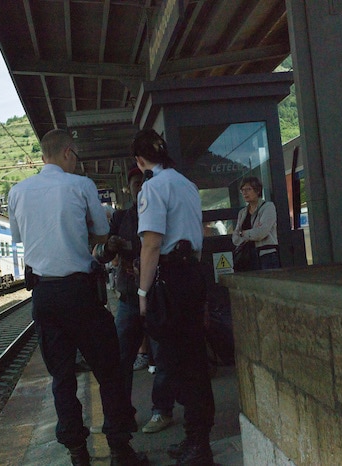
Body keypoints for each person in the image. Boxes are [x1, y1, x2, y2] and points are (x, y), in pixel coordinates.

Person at [8, 129, 147, 466]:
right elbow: (100, 236)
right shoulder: (81, 186)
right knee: (108, 369)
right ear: (68, 153)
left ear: (44, 157)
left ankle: (77, 453)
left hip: (44, 295)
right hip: (80, 293)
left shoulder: (17, 192)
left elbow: (18, 237)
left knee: (62, 377)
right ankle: (119, 449)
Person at [134, 128, 215, 465]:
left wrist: (142, 291)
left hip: (171, 280)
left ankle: (198, 447)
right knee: (193, 359)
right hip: (193, 273)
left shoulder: (153, 188)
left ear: (139, 161)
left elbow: (151, 243)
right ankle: (196, 440)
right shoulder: (186, 184)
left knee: (182, 363)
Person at [93, 166, 175, 436]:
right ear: (129, 188)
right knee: (121, 359)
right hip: (129, 298)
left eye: (143, 182)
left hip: (158, 296)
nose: (140, 186)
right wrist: (110, 247)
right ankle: (124, 414)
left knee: (162, 356)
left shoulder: (161, 211)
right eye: (136, 183)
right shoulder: (120, 217)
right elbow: (100, 255)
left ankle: (161, 411)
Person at [232, 176, 280, 270]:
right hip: (247, 257)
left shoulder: (268, 207)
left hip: (266, 256)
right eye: (242, 190)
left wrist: (243, 233)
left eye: (248, 189)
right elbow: (235, 238)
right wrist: (252, 232)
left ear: (257, 191)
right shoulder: (242, 213)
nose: (245, 193)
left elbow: (261, 233)